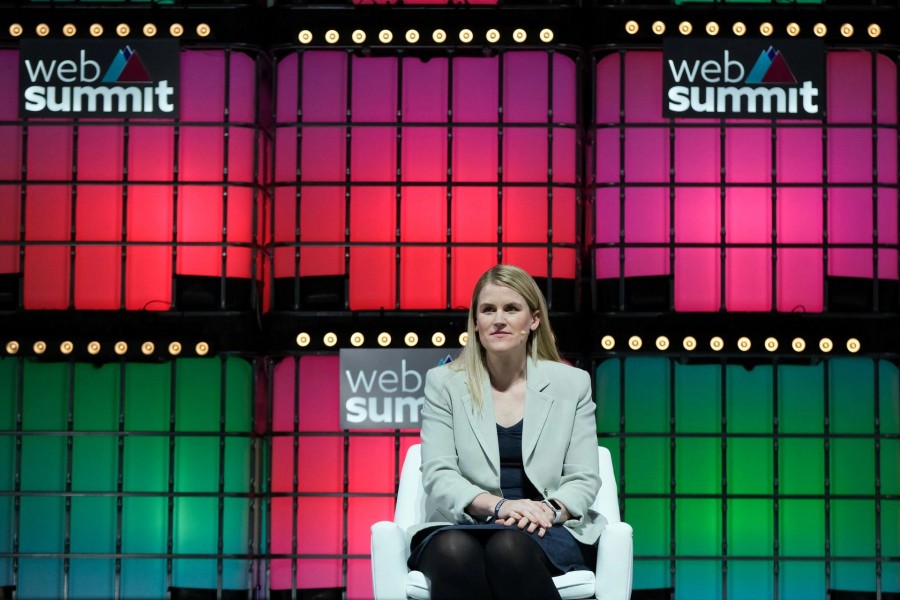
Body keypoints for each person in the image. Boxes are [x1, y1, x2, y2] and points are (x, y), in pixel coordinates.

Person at [407, 264, 606, 600]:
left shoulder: (571, 384)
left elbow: (583, 477)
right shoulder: (445, 384)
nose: (498, 319)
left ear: (533, 320)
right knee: (454, 551)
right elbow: (440, 474)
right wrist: (500, 507)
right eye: (488, 310)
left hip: (546, 524)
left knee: (507, 547)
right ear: (476, 322)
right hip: (465, 522)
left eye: (511, 309)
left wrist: (548, 509)